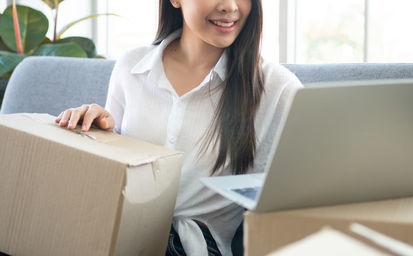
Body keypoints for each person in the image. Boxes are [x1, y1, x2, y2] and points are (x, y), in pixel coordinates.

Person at [55, 0, 302, 255]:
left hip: (195, 245)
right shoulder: (131, 67)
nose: (230, 6)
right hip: (116, 236)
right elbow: (110, 180)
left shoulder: (277, 89)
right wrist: (92, 131)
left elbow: (297, 200)